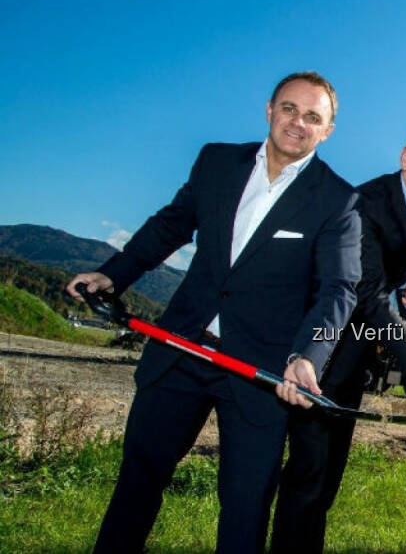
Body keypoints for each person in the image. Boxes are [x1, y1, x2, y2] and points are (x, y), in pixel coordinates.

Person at [67, 71, 363, 554]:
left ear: (327, 131)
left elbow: (338, 290)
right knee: (138, 480)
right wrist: (113, 275)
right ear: (269, 109)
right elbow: (170, 227)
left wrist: (308, 355)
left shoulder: (338, 200)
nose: (297, 123)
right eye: (289, 109)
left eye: (313, 117)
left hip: (261, 371)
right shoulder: (217, 161)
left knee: (246, 507)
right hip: (180, 348)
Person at [271, 122, 406, 553]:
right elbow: (371, 299)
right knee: (307, 477)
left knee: (325, 483)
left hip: (350, 361)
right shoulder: (367, 205)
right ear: (404, 158)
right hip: (314, 353)